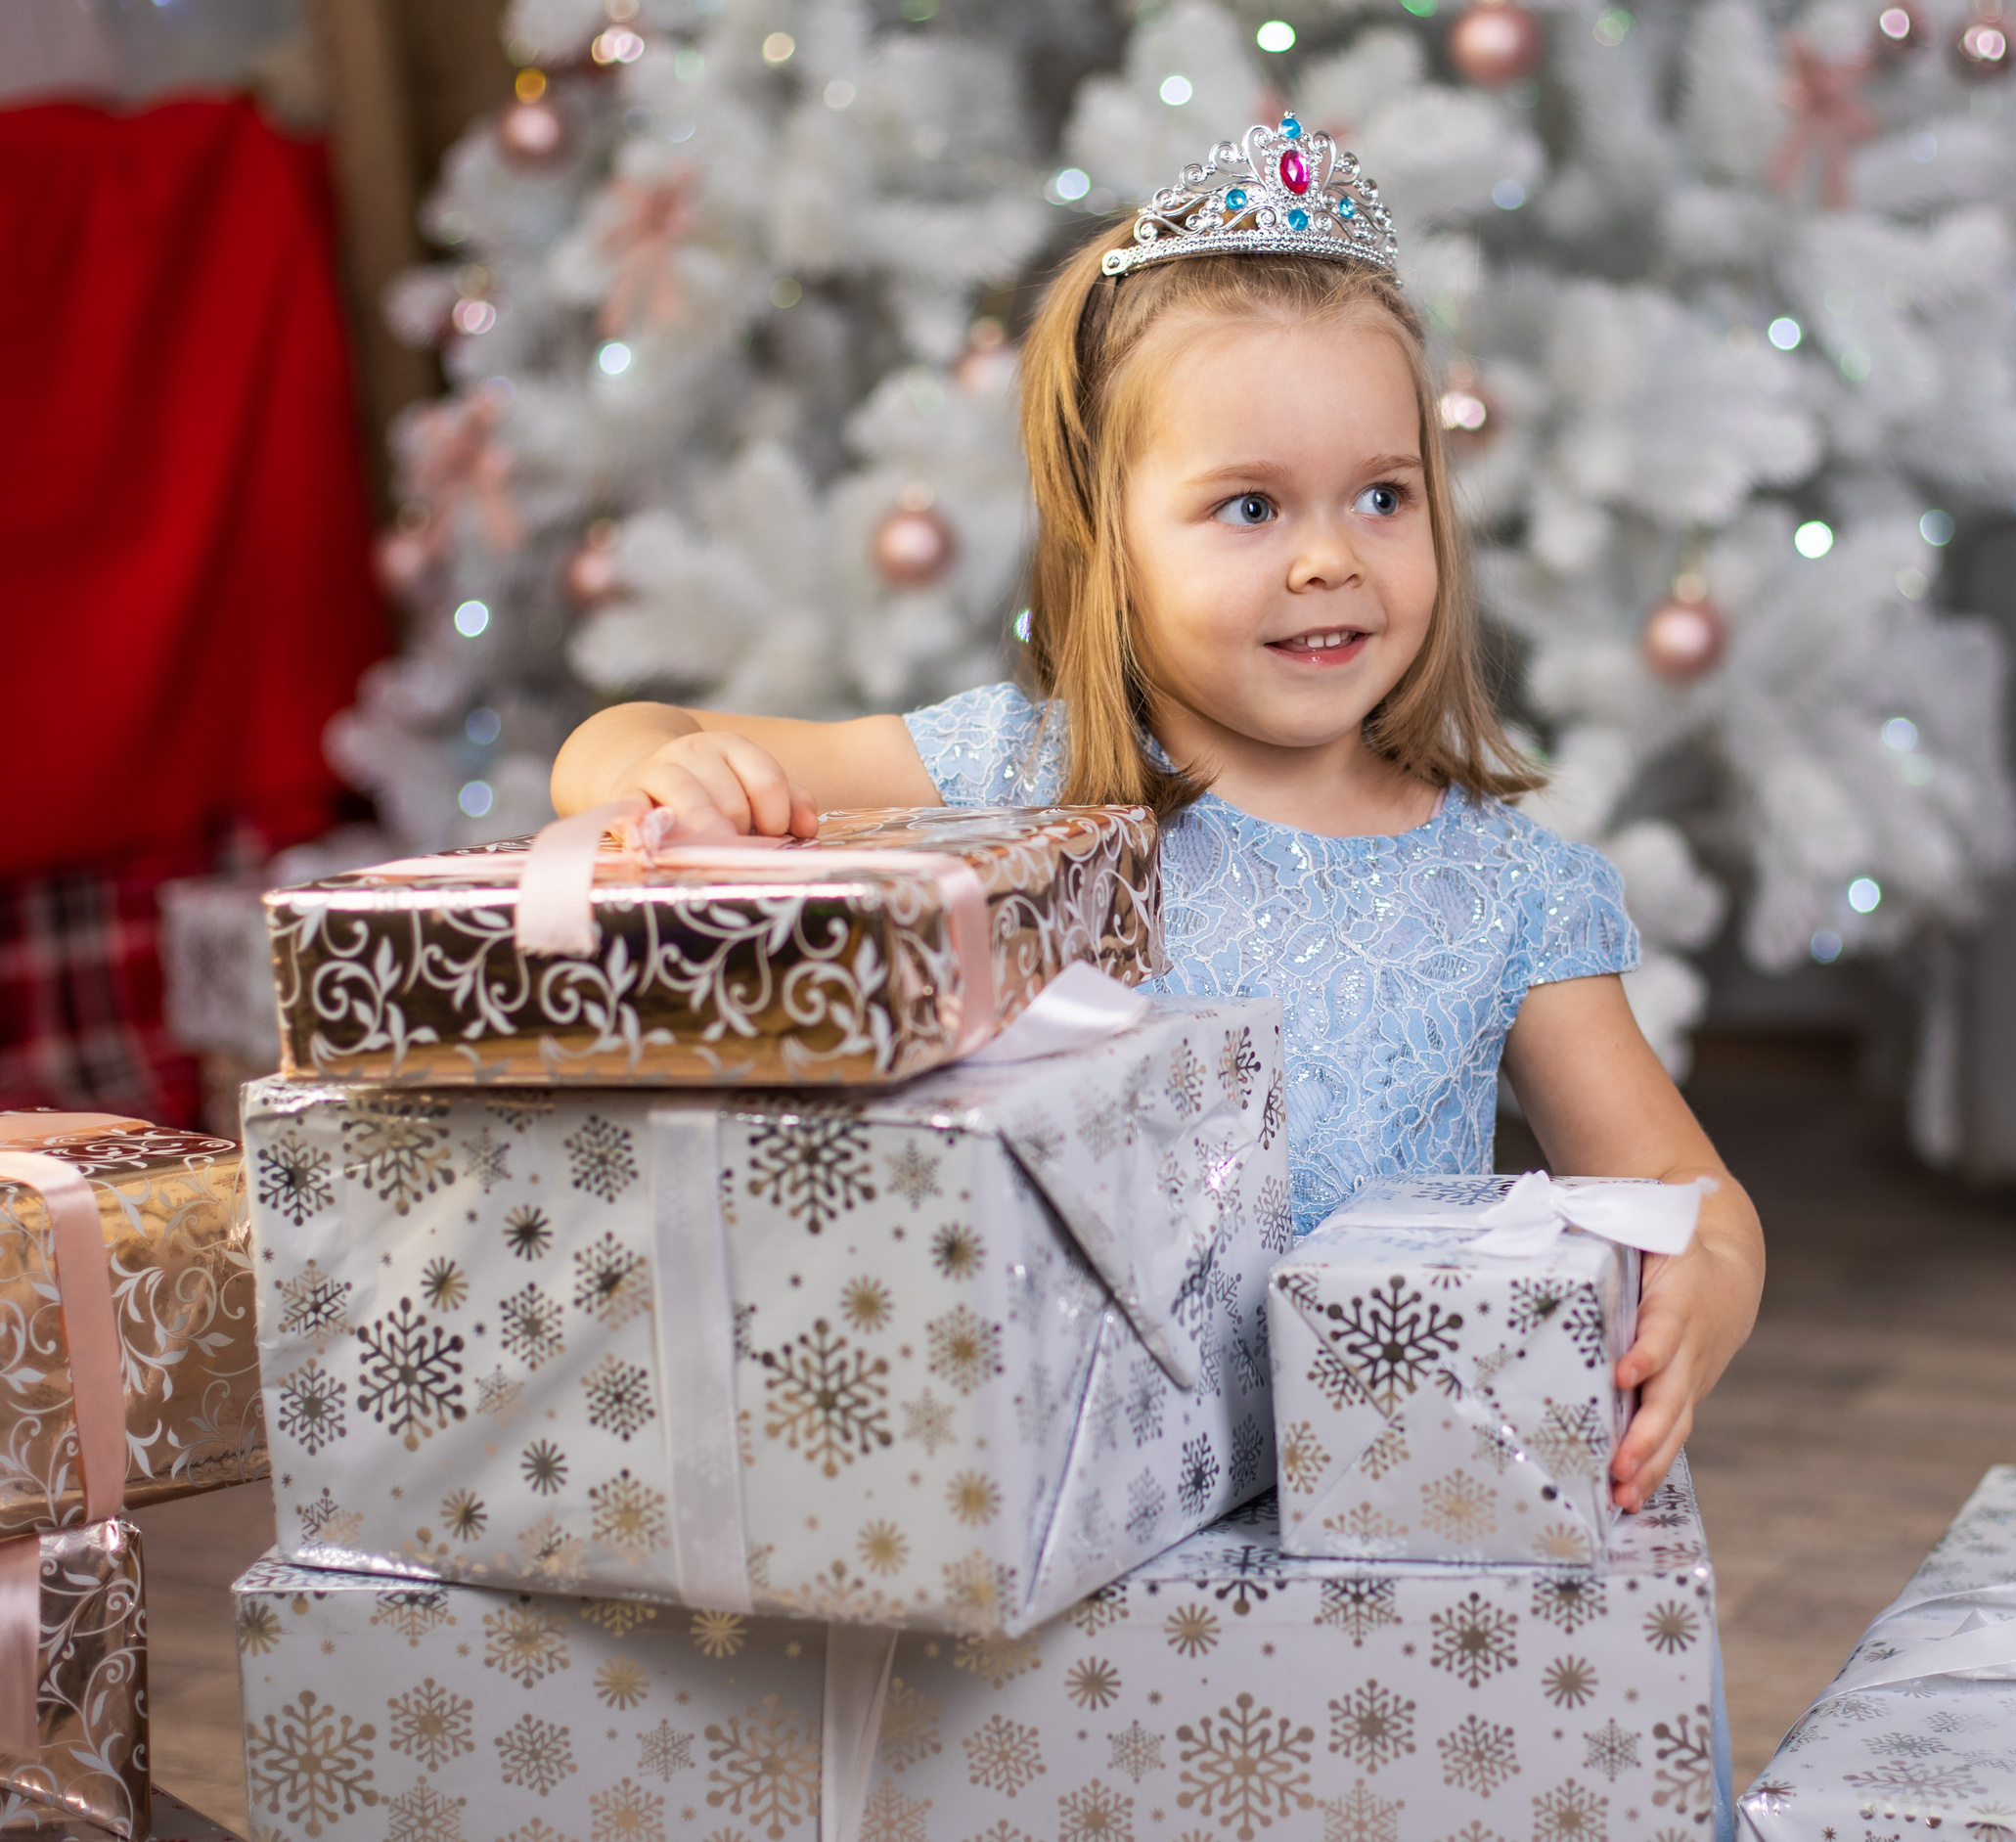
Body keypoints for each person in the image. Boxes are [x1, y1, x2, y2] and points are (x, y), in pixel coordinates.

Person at [552, 119, 1763, 1512]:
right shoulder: (1015, 774)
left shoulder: (1505, 887)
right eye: (1249, 507)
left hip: (1379, 1517)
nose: (1330, 559)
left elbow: (1681, 1188)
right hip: (1060, 1503)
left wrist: (1709, 1281)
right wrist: (663, 772)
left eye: (1383, 496)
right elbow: (623, 742)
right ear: (1107, 533)